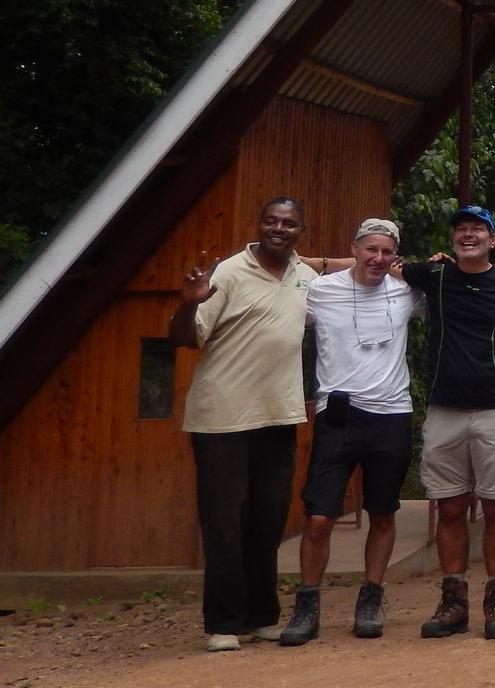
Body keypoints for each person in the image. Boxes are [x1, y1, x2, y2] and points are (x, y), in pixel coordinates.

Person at [170, 197, 318, 653]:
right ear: (259, 225)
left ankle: (261, 616)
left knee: (267, 521)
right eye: (271, 221)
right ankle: (223, 622)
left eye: (289, 223)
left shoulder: (305, 278)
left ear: (300, 231)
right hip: (222, 417)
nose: (279, 228)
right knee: (223, 522)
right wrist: (185, 306)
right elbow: (185, 338)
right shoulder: (228, 272)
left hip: (279, 414)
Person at [278, 219, 423, 645]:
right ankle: (306, 605)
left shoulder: (407, 292)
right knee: (319, 517)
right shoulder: (321, 290)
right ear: (355, 248)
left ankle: (371, 599)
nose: (378, 258)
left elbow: (447, 280)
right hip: (338, 415)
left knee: (382, 512)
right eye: (370, 249)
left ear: (395, 256)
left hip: (392, 414)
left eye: (387, 252)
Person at [403, 205, 495, 641]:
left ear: (492, 240)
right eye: (461, 229)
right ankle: (453, 602)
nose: (468, 234)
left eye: (478, 228)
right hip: (444, 410)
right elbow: (379, 263)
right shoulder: (434, 275)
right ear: (453, 240)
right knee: (451, 507)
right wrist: (314, 265)